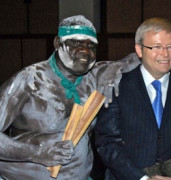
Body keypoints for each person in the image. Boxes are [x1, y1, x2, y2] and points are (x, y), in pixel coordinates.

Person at [0, 15, 140, 180]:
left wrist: (116, 66)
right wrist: (37, 153)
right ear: (58, 43)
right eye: (76, 42)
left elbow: (142, 55)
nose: (85, 51)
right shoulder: (30, 80)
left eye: (91, 45)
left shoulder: (95, 76)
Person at [94, 17, 171, 180]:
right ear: (139, 50)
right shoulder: (116, 86)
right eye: (157, 47)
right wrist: (143, 178)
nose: (165, 54)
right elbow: (107, 143)